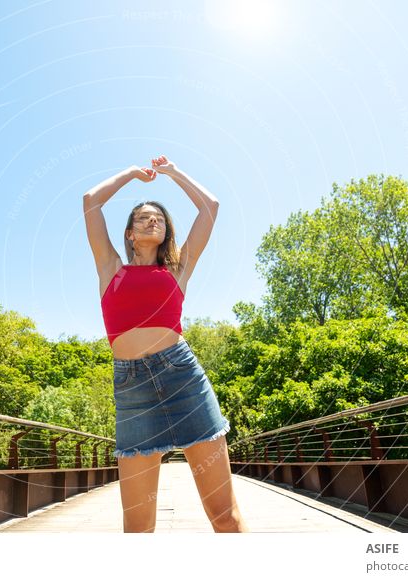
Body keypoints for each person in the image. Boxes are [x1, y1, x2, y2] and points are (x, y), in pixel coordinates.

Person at [82, 155, 248, 533]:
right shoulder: (110, 268)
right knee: (138, 529)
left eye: (158, 217)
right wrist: (131, 174)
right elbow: (90, 201)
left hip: (183, 379)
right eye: (142, 216)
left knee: (225, 517)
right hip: (133, 390)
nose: (152, 219)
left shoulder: (177, 268)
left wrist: (173, 174)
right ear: (129, 233)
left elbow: (211, 207)